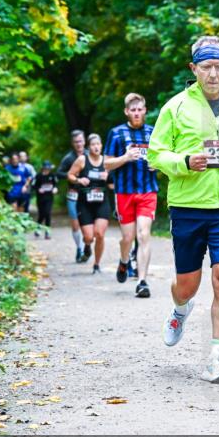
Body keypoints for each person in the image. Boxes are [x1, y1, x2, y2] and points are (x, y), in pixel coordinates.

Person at [147, 35, 219, 384]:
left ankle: (217, 358)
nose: (213, 73)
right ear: (193, 69)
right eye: (206, 67)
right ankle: (181, 309)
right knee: (186, 285)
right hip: (188, 206)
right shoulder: (176, 107)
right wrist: (184, 160)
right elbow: (156, 154)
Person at [104, 92, 157, 298]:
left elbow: (162, 158)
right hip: (124, 192)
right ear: (127, 112)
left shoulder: (153, 132)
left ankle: (142, 281)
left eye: (139, 109)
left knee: (143, 235)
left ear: (145, 110)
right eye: (132, 110)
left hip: (147, 190)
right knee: (127, 237)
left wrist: (157, 165)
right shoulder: (116, 133)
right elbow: (106, 163)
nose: (136, 113)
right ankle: (124, 261)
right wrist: (125, 157)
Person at [67, 133, 111, 273]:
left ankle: (97, 265)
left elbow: (113, 183)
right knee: (88, 236)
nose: (96, 147)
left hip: (102, 203)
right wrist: (79, 180)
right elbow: (70, 175)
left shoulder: (107, 161)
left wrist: (109, 177)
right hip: (84, 203)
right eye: (93, 145)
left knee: (100, 234)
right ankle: (86, 246)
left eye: (98, 144)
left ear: (101, 145)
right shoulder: (82, 160)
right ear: (88, 147)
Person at [59, 131, 88, 261]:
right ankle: (79, 249)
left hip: (89, 194)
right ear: (73, 143)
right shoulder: (69, 158)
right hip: (73, 194)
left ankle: (87, 245)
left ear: (84, 141)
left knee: (88, 224)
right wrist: (72, 176)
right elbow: (58, 173)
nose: (79, 144)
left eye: (80, 141)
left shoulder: (90, 155)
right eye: (76, 142)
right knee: (75, 224)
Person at [33, 161, 59, 239]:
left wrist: (55, 189)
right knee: (41, 214)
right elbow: (33, 185)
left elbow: (56, 184)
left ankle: (47, 232)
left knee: (47, 213)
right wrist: (38, 189)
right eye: (46, 168)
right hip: (40, 198)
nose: (47, 170)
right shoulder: (38, 176)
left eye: (48, 168)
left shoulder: (53, 175)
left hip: (49, 198)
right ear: (43, 168)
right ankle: (38, 228)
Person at [17, 151, 36, 215]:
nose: (22, 158)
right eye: (21, 156)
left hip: (27, 190)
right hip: (16, 190)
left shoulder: (29, 167)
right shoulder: (16, 166)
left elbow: (34, 177)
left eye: (24, 156)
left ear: (26, 157)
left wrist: (31, 185)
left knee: (25, 206)